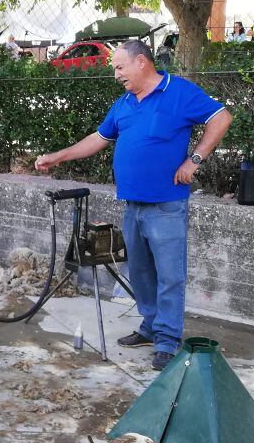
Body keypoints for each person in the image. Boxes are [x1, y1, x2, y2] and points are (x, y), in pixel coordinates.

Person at [35, 40, 232, 370]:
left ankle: (167, 340)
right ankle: (150, 327)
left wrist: (194, 160)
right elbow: (98, 139)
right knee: (139, 273)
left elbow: (221, 118)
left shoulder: (179, 92)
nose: (116, 75)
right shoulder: (125, 103)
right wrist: (59, 156)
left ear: (142, 62)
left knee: (169, 276)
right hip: (133, 206)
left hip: (167, 205)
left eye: (120, 67)